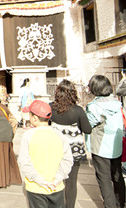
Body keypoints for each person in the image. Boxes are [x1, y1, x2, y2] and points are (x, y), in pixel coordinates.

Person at [18, 100, 73, 208]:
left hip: (36, 187)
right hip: (56, 187)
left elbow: (24, 162)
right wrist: (58, 178)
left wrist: (40, 180)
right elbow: (67, 160)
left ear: (34, 118)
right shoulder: (59, 135)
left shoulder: (28, 136)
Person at [50, 79, 92, 208]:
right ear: (73, 93)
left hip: (55, 149)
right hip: (74, 151)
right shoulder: (78, 110)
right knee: (71, 182)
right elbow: (87, 130)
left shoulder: (51, 107)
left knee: (55, 179)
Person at [85, 75, 125, 208]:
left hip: (101, 148)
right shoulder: (117, 103)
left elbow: (87, 125)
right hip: (116, 146)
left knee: (105, 180)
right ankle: (120, 203)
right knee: (117, 176)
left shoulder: (95, 107)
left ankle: (110, 205)